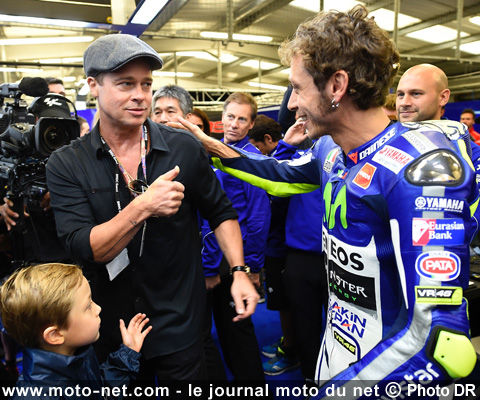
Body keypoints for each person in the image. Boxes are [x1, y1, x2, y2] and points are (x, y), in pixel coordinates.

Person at [174, 5, 479, 397]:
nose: (291, 105)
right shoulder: (329, 151)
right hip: (336, 352)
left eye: (297, 89)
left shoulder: (419, 169)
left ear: (336, 86)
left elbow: (441, 341)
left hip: (387, 374)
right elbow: (278, 176)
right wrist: (210, 146)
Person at [45, 33, 258, 387]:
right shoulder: (67, 163)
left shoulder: (183, 148)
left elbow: (221, 212)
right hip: (114, 329)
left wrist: (238, 270)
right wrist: (143, 205)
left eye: (146, 84)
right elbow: (86, 247)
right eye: (126, 84)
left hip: (181, 321)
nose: (140, 95)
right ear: (93, 86)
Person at [0, 263, 151, 399]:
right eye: (88, 306)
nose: (98, 309)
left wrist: (127, 354)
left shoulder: (78, 355)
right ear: (55, 335)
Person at [200, 92, 270, 381]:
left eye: (242, 119)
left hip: (234, 261)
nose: (234, 124)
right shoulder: (211, 155)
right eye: (230, 117)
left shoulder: (251, 160)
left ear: (251, 124)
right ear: (222, 118)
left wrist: (251, 266)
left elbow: (258, 219)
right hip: (208, 257)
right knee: (215, 332)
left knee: (237, 333)